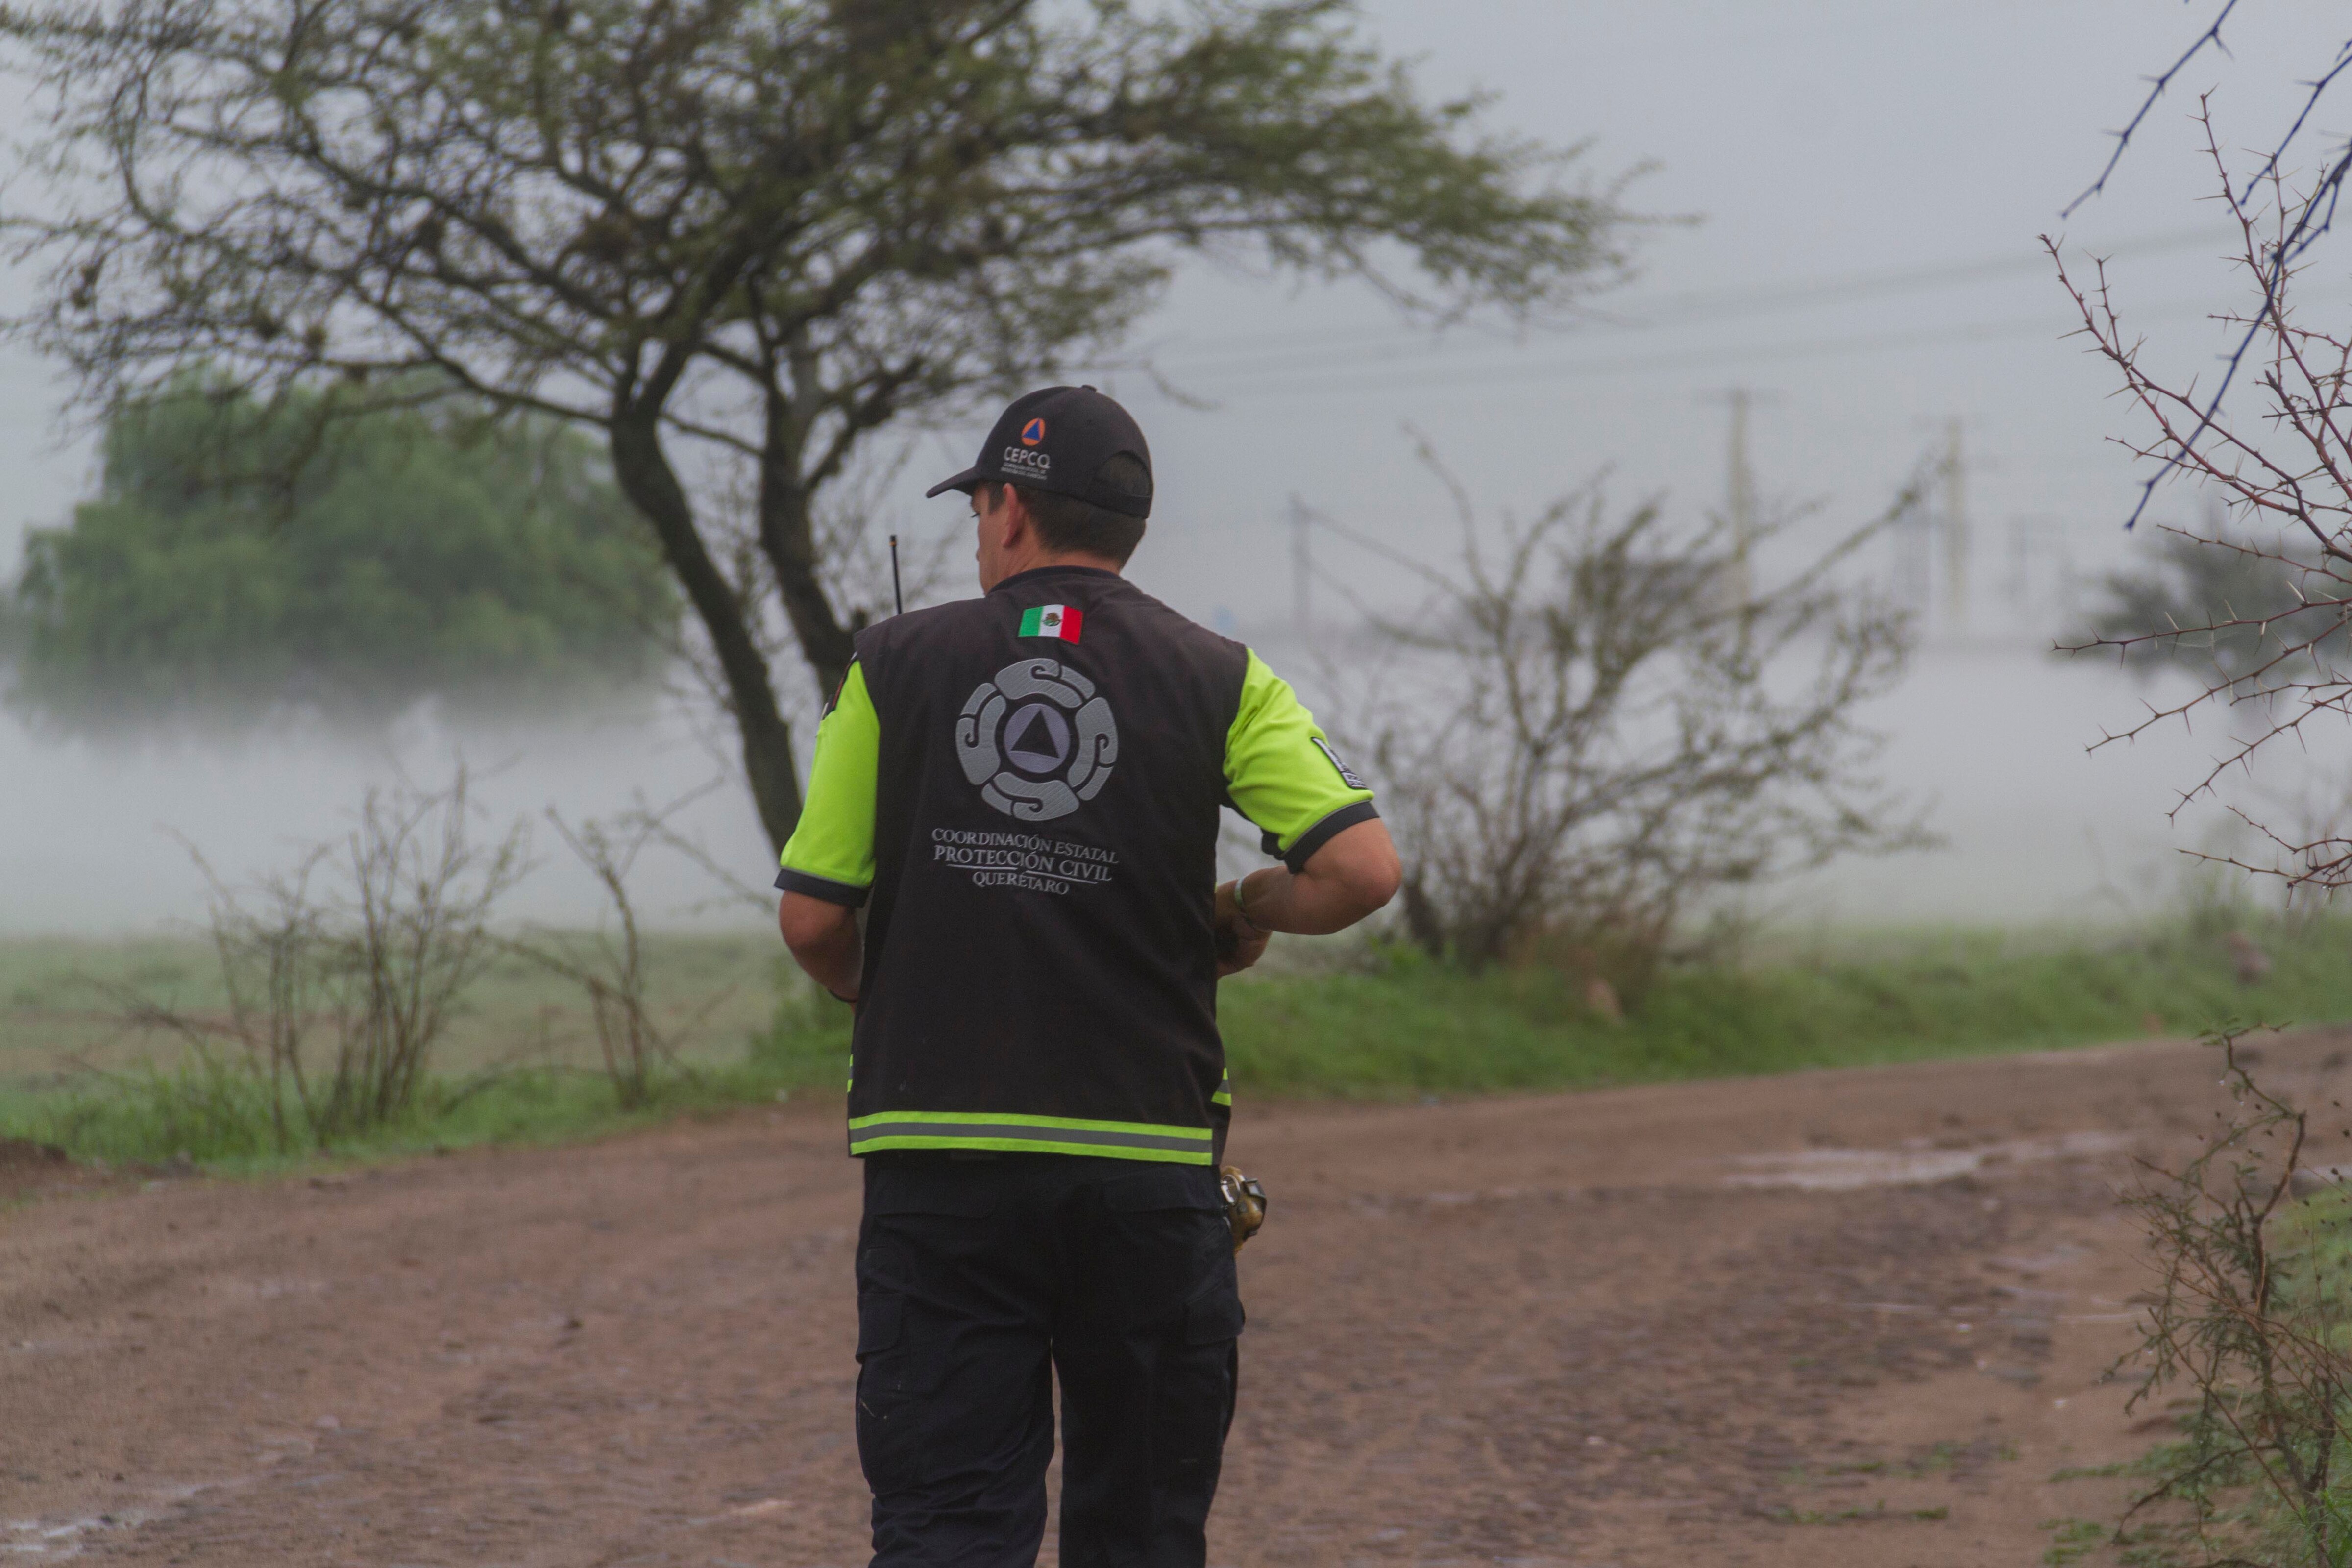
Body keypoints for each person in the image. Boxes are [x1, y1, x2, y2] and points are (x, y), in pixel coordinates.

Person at [775, 385, 1400, 1568]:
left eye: (978, 509)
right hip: (1148, 1165)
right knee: (1142, 1533)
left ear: (1007, 510)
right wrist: (1245, 907)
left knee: (947, 1527)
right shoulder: (1222, 676)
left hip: (943, 1159)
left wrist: (898, 984)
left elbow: (813, 924)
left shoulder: (891, 666)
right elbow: (1362, 868)